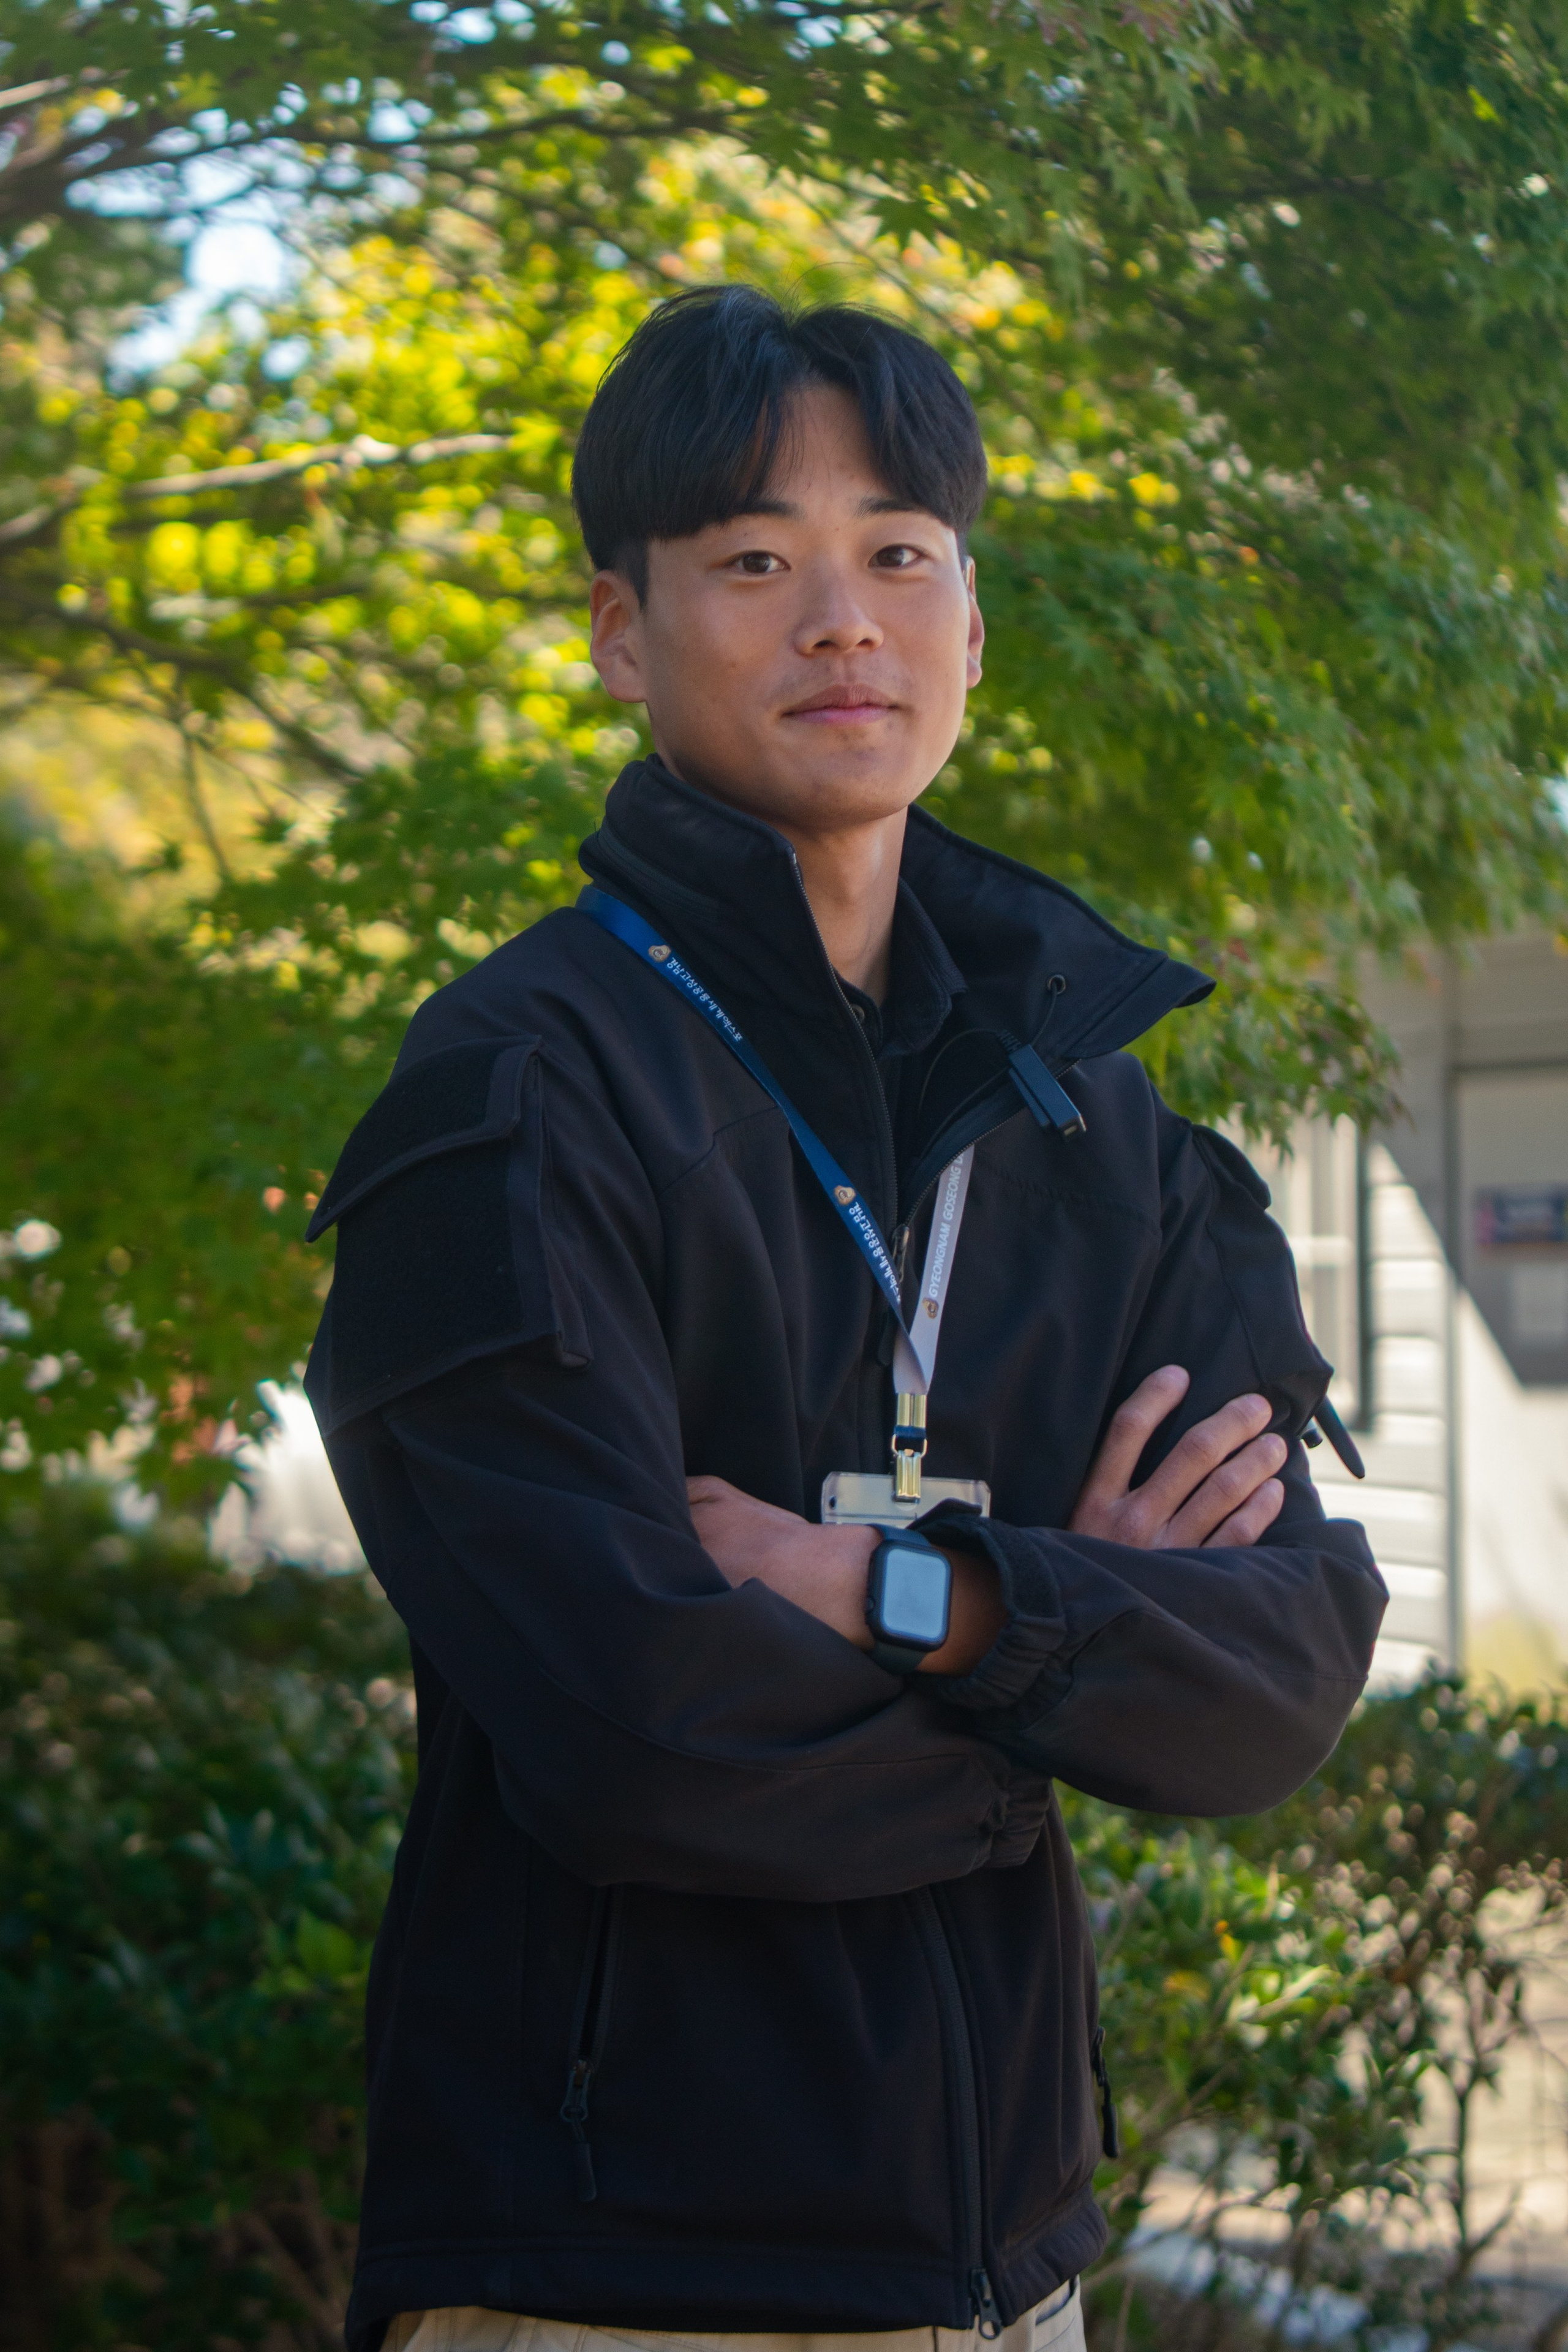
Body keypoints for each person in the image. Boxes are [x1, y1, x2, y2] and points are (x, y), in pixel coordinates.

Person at [304, 287, 1385, 2352]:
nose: (841, 620)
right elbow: (642, 1733)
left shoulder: (1100, 1113)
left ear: (973, 626)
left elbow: (1283, 1675)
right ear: (623, 632)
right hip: (616, 2284)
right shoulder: (515, 1100)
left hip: (1014, 2284)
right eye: (752, 562)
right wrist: (1059, 1682)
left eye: (900, 553)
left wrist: (913, 1605)